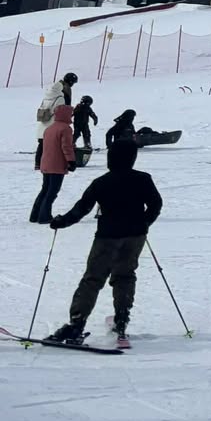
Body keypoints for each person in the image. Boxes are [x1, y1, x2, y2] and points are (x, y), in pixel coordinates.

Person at [41, 136, 163, 345]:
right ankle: (121, 320)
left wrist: (61, 222)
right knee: (125, 276)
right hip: (135, 236)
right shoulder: (143, 179)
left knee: (93, 279)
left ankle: (76, 325)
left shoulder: (102, 182)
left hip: (107, 237)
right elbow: (156, 204)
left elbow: (82, 208)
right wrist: (144, 223)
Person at [31, 104, 75, 224]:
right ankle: (44, 216)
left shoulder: (49, 128)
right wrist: (71, 161)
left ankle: (34, 214)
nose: (72, 116)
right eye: (71, 114)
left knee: (45, 189)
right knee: (52, 191)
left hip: (46, 163)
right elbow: (67, 147)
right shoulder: (66, 129)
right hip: (57, 164)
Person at [71, 95, 97, 161]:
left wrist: (95, 119)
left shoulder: (87, 108)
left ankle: (87, 143)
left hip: (84, 124)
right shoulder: (78, 107)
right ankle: (72, 143)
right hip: (78, 124)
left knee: (86, 133)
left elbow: (92, 114)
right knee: (77, 134)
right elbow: (72, 113)